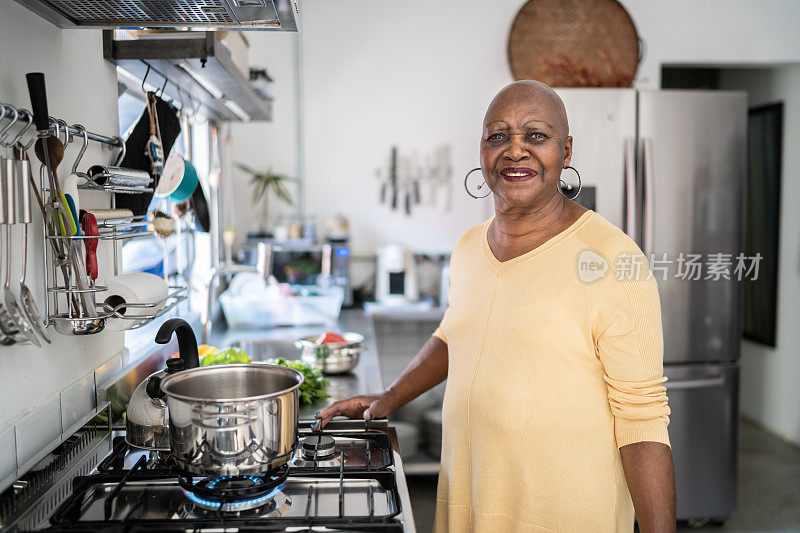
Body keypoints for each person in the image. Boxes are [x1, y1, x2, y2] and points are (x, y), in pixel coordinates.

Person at [315, 80, 676, 532]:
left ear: (566, 152)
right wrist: (390, 398)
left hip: (563, 516)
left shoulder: (612, 259)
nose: (514, 151)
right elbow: (455, 333)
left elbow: (642, 421)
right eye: (498, 136)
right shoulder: (469, 247)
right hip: (469, 503)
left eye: (536, 136)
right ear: (482, 151)